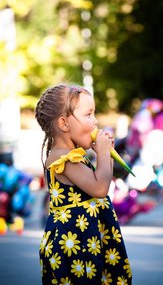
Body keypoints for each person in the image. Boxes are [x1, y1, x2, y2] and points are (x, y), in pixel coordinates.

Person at [35, 84, 132, 284]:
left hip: (87, 241)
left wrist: (107, 156)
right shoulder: (64, 158)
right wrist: (104, 154)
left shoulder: (71, 156)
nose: (95, 121)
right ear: (64, 124)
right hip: (75, 246)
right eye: (89, 115)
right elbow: (99, 189)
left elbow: (100, 181)